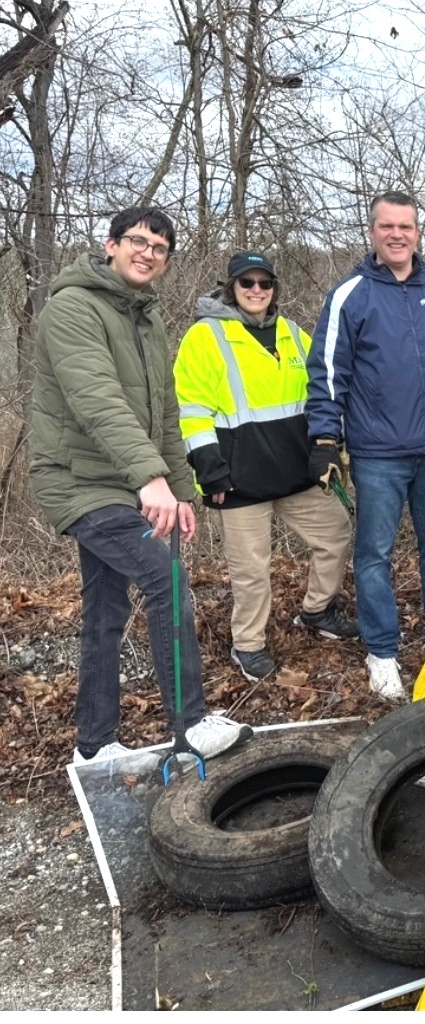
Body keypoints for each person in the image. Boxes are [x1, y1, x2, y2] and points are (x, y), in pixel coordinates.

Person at [29, 207, 252, 764]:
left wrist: (179, 489)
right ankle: (190, 725)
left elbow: (165, 416)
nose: (148, 253)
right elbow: (97, 399)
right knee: (166, 579)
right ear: (111, 245)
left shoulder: (146, 318)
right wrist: (150, 479)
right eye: (138, 241)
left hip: (126, 479)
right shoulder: (71, 308)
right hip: (79, 480)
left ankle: (94, 744)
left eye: (160, 247)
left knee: (105, 609)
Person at [305, 191, 425, 700]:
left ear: (418, 233)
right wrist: (325, 437)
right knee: (374, 554)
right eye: (387, 226)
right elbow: (328, 373)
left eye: (406, 226)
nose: (397, 235)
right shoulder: (350, 296)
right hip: (377, 453)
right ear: (373, 232)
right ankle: (382, 653)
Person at [173, 251, 356, 682]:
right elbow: (192, 411)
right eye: (247, 283)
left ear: (275, 288)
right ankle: (248, 645)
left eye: (265, 283)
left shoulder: (293, 333)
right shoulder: (205, 337)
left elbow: (321, 393)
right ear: (231, 287)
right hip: (238, 480)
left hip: (297, 473)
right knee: (251, 571)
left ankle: (317, 611)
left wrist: (330, 447)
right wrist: (210, 471)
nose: (257, 290)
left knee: (336, 534)